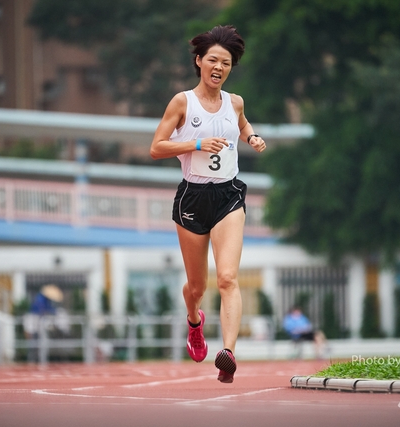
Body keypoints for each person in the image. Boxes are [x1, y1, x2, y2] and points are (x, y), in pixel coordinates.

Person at [150, 25, 266, 383]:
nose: (219, 67)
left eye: (226, 63)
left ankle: (227, 353)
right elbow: (156, 147)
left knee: (229, 278)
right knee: (197, 287)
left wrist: (252, 136)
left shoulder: (236, 102)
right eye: (212, 60)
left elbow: (242, 124)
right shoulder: (182, 102)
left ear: (231, 68)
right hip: (193, 197)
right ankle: (194, 320)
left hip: (229, 195)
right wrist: (197, 145)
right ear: (199, 61)